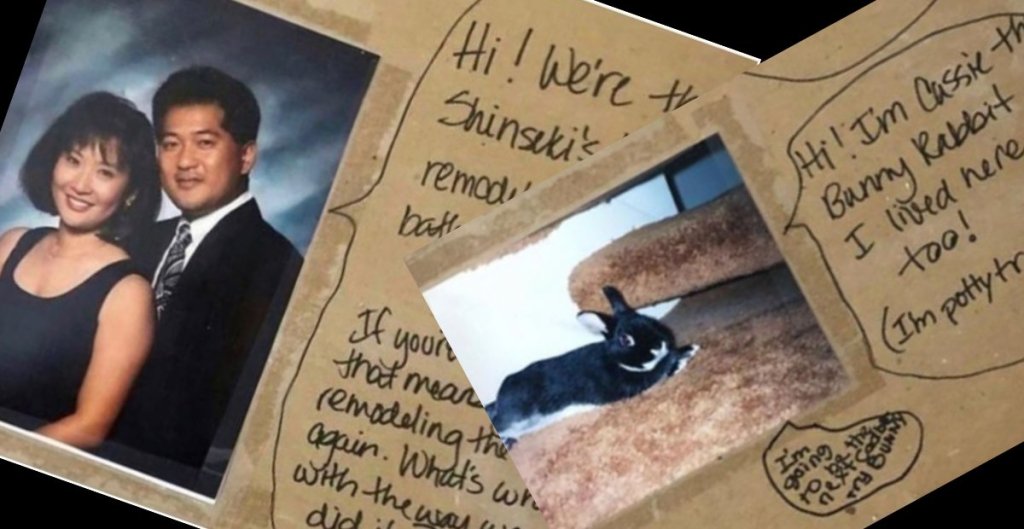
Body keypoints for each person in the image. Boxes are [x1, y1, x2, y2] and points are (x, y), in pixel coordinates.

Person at [110, 66, 303, 483]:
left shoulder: (277, 266)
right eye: (169, 144)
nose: (184, 162)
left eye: (205, 143)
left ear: (246, 155)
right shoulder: (136, 242)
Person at [0, 92, 162, 449]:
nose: (81, 184)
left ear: (131, 192)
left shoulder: (127, 292)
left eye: (105, 172)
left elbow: (89, 427)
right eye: (73, 160)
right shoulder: (11, 244)